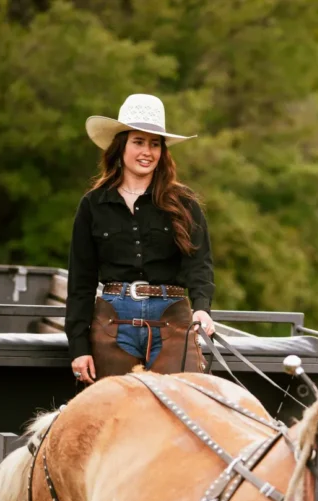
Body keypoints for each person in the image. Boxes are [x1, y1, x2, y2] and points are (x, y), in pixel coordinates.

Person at [66, 93, 215, 384]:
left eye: (154, 143)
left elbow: (200, 263)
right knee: (115, 412)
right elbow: (81, 281)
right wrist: (79, 348)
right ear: (120, 146)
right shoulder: (93, 205)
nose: (147, 151)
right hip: (112, 319)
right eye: (138, 141)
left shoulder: (184, 203)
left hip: (172, 316)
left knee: (181, 404)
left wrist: (202, 308)